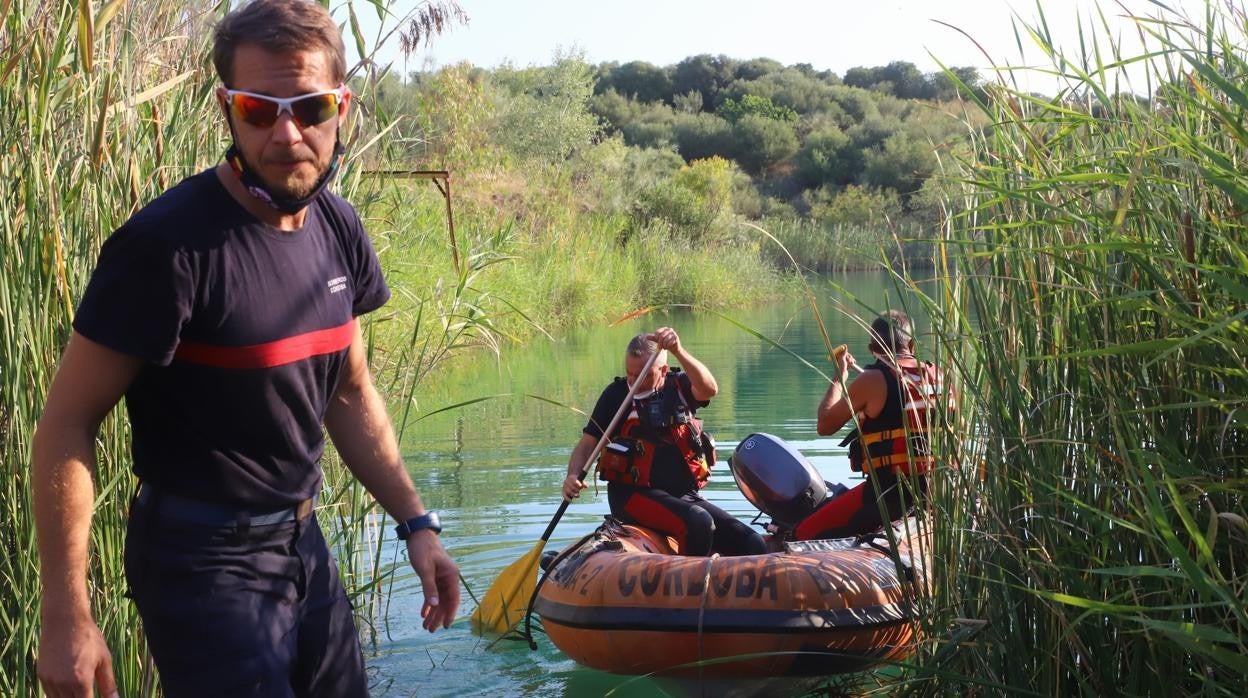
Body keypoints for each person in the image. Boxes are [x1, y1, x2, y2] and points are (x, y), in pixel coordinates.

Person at [31, 2, 459, 696]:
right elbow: (65, 424)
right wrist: (65, 614)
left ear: (342, 107)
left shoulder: (338, 227)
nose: (288, 133)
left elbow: (348, 389)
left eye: (310, 106)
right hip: (201, 560)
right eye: (260, 111)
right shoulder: (166, 248)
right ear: (227, 109)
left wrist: (416, 523)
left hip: (301, 542)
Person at [562, 328, 766, 557]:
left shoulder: (678, 387)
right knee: (698, 522)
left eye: (642, 375)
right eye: (629, 373)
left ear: (663, 370)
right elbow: (588, 444)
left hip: (682, 495)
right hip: (632, 496)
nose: (634, 381)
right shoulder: (616, 395)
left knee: (751, 542)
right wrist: (572, 476)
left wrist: (678, 350)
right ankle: (689, 585)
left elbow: (709, 389)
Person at [791, 310, 951, 541]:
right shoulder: (941, 377)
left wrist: (839, 378)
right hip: (937, 491)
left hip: (890, 496)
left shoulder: (873, 379)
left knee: (803, 532)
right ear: (912, 346)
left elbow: (825, 425)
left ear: (871, 349)